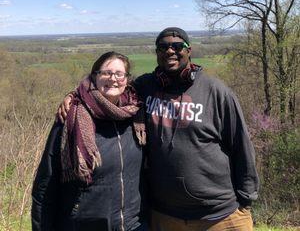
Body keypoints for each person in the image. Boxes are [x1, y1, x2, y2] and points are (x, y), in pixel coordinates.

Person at [57, 27, 259, 231]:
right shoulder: (144, 88)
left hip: (220, 216)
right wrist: (75, 96)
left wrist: (246, 200)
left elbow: (241, 145)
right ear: (157, 53)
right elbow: (107, 87)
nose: (170, 51)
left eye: (177, 46)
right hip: (164, 216)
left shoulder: (216, 92)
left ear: (189, 51)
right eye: (163, 47)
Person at [32, 51, 147, 231]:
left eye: (119, 74)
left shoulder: (136, 114)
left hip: (133, 224)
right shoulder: (72, 117)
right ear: (94, 76)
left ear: (127, 79)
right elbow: (46, 186)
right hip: (84, 224)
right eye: (106, 73)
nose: (113, 78)